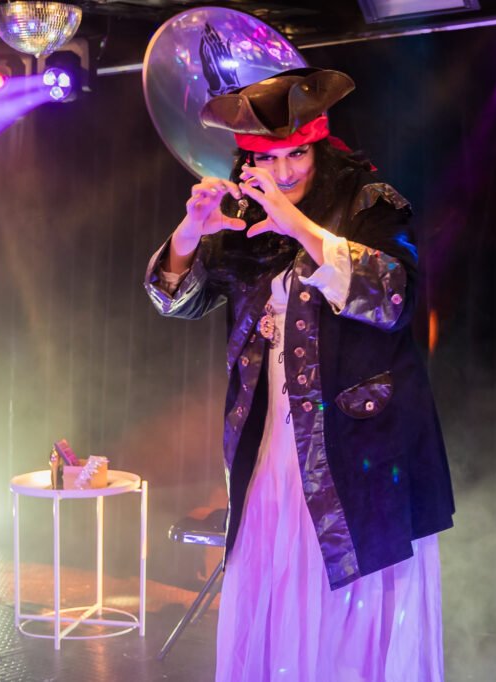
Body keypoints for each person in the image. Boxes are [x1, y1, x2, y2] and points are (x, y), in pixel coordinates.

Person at [144, 67, 454, 681]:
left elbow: (392, 298)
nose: (284, 173)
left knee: (353, 609)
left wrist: (302, 228)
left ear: (320, 147)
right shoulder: (246, 219)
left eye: (297, 155)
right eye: (269, 159)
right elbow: (174, 299)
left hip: (361, 453)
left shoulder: (369, 202)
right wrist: (189, 232)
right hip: (275, 451)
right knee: (279, 596)